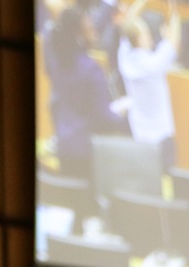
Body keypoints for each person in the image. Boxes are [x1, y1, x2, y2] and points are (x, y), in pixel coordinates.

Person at [45, 4, 127, 180]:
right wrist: (122, 119)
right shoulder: (91, 69)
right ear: (79, 36)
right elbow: (102, 115)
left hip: (64, 145)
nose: (95, 33)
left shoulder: (57, 65)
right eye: (91, 29)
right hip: (87, 151)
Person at [117, 0, 182, 173]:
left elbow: (128, 23)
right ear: (138, 38)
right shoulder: (153, 64)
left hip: (139, 136)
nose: (150, 35)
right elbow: (174, 42)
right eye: (146, 32)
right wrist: (175, 9)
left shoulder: (124, 57)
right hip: (161, 139)